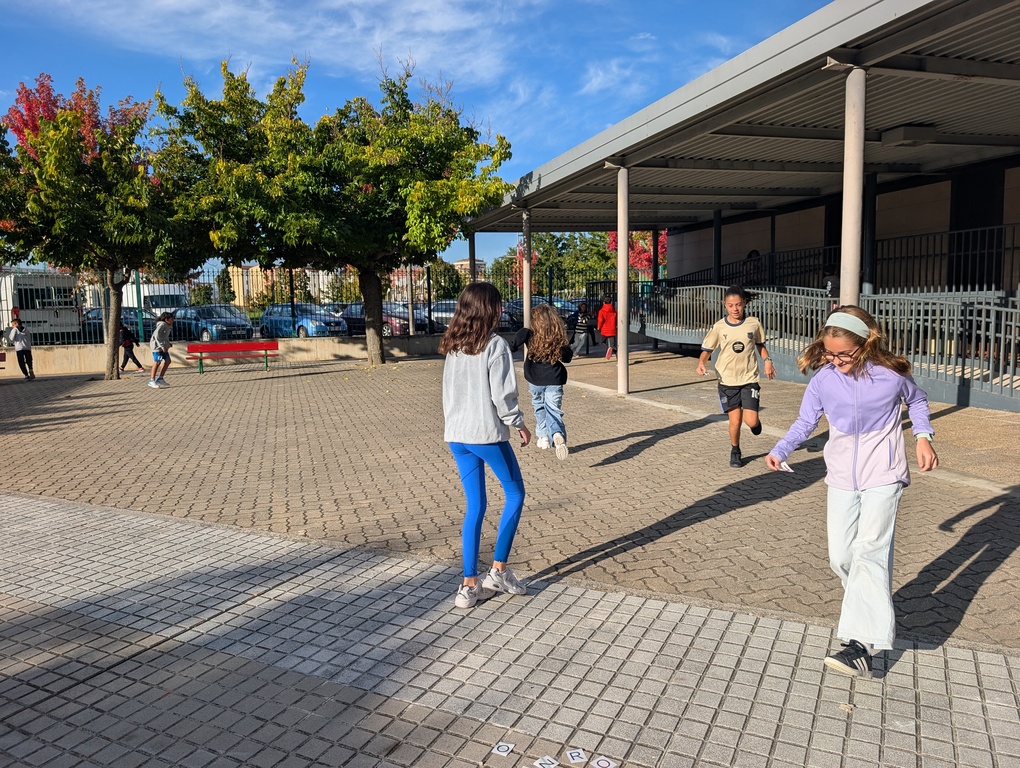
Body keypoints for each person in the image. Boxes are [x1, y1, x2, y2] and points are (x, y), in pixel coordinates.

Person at [765, 305, 938, 678]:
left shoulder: (890, 375)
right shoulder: (824, 380)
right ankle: (871, 606)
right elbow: (805, 420)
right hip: (841, 476)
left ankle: (860, 646)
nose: (836, 360)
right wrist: (781, 448)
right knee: (842, 557)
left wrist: (923, 437)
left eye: (844, 353)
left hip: (884, 474)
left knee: (869, 552)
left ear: (866, 343)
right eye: (830, 353)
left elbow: (918, 400)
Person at [440, 282, 532, 610]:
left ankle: (468, 586)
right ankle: (499, 571)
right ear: (488, 309)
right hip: (486, 435)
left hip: (457, 436)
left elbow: (449, 393)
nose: (501, 309)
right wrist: (519, 424)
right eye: (498, 304)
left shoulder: (453, 345)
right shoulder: (495, 345)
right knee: (515, 494)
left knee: (475, 506)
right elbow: (503, 395)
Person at [696, 285, 775, 467]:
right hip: (727, 380)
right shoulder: (719, 326)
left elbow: (760, 345)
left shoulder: (753, 323)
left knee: (751, 421)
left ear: (744, 303)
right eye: (731, 305)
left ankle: (755, 424)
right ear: (725, 305)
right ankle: (735, 451)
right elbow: (707, 349)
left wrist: (767, 361)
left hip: (749, 378)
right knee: (735, 420)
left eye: (738, 304)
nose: (735, 309)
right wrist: (701, 363)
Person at [511, 304, 573, 460]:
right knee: (553, 409)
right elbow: (567, 358)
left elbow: (512, 346)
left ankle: (543, 436)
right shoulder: (557, 337)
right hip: (554, 378)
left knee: (539, 406)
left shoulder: (527, 333)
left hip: (535, 378)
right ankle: (557, 433)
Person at [148, 312, 174, 389]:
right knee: (157, 362)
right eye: (171, 319)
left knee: (168, 361)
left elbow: (164, 337)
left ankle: (160, 378)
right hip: (157, 347)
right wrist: (162, 346)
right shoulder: (162, 325)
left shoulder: (167, 326)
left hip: (163, 347)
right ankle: (152, 380)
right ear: (166, 319)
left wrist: (168, 344)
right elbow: (156, 336)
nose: (173, 320)